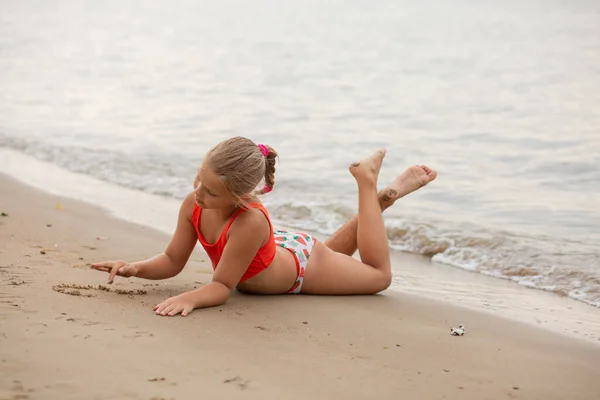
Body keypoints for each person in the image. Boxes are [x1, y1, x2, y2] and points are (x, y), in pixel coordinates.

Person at [92, 136, 437, 316]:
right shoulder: (194, 203)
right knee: (333, 257)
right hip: (281, 250)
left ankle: (369, 186)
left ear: (241, 197)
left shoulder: (249, 222)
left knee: (379, 276)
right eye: (199, 179)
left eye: (211, 192)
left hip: (301, 267)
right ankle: (376, 202)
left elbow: (223, 286)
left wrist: (191, 299)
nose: (198, 193)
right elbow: (171, 259)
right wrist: (135, 268)